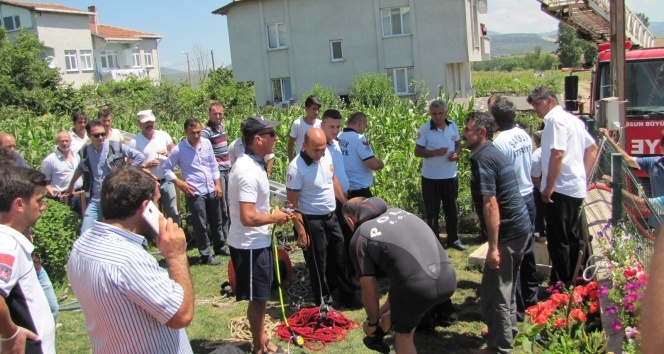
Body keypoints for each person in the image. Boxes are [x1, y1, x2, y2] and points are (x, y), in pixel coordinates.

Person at [67, 166, 194, 354]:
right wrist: (176, 256)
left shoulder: (81, 244)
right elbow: (181, 315)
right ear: (145, 207)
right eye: (156, 202)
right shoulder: (128, 259)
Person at [343, 197, 456, 354]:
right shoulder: (401, 212)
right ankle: (388, 321)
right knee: (406, 301)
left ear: (350, 220)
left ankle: (384, 325)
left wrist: (372, 322)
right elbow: (402, 271)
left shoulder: (360, 237)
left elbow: (369, 287)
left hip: (419, 288)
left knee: (403, 336)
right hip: (449, 279)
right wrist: (384, 310)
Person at [463, 111, 531, 354]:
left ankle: (499, 348)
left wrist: (492, 247)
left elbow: (491, 204)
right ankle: (508, 333)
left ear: (481, 132)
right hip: (520, 228)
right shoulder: (491, 151)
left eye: (468, 130)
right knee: (508, 285)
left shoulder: (484, 158)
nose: (463, 134)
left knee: (496, 293)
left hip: (509, 232)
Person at [227, 116, 294, 354]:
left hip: (257, 241)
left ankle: (261, 339)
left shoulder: (254, 164)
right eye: (272, 135)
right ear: (258, 139)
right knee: (258, 299)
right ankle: (258, 348)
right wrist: (274, 218)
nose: (276, 139)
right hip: (250, 245)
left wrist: (272, 213)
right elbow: (248, 216)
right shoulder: (246, 170)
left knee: (262, 296)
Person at [527, 85, 598, 285]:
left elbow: (557, 153)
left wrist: (548, 187)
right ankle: (569, 279)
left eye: (538, 104)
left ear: (550, 100)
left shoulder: (554, 120)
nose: (536, 109)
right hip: (573, 187)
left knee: (558, 241)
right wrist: (583, 177)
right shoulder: (573, 120)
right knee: (570, 237)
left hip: (561, 189)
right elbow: (592, 148)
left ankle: (563, 285)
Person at [286, 128, 358, 308]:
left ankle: (346, 295)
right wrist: (301, 231)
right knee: (318, 264)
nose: (319, 154)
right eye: (315, 150)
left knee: (339, 257)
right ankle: (324, 302)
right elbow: (291, 205)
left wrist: (345, 204)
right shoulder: (296, 168)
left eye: (322, 149)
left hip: (331, 216)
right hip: (311, 221)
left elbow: (333, 180)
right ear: (304, 146)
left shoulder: (326, 156)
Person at [489, 96, 539, 322]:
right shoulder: (523, 134)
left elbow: (500, 177)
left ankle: (516, 308)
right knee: (528, 251)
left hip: (513, 200)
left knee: (511, 257)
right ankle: (532, 298)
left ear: (494, 118)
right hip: (529, 196)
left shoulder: (498, 143)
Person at [0, 166, 55, 354]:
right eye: (39, 200)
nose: (43, 206)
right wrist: (11, 334)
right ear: (19, 204)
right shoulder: (7, 245)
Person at [163, 118, 227, 265]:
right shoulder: (179, 149)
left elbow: (213, 164)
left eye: (198, 132)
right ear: (185, 132)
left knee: (216, 219)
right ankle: (206, 254)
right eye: (193, 133)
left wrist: (217, 184)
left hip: (211, 187)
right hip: (195, 191)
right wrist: (180, 183)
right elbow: (166, 168)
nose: (196, 135)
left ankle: (219, 246)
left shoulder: (206, 143)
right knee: (200, 223)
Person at [67, 119, 146, 235]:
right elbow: (80, 169)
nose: (100, 137)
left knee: (118, 233)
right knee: (85, 233)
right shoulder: (85, 152)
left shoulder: (116, 147)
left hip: (114, 199)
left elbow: (139, 156)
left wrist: (127, 171)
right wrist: (71, 185)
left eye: (103, 134)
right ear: (89, 135)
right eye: (96, 135)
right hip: (95, 201)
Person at [414, 100, 467, 251]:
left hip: (450, 176)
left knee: (451, 210)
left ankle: (453, 240)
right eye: (434, 114)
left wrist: (457, 153)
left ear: (446, 113)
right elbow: (417, 152)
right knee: (432, 211)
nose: (437, 117)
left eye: (440, 114)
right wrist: (434, 153)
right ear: (430, 114)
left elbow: (458, 143)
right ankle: (434, 242)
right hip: (431, 178)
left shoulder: (452, 126)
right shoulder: (424, 129)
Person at [600, 128, 664, 228]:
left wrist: (614, 186)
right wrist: (608, 138)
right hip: (657, 224)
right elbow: (627, 159)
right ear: (661, 149)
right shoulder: (653, 163)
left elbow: (641, 205)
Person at [129, 109, 180, 223]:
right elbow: (130, 165)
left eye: (151, 122)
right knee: (153, 214)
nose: (149, 125)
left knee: (173, 211)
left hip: (167, 179)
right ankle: (156, 239)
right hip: (148, 183)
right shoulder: (135, 142)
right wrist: (145, 165)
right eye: (146, 123)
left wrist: (168, 153)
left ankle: (177, 235)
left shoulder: (163, 135)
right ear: (139, 124)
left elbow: (176, 152)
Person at [201, 102, 231, 249]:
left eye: (220, 113)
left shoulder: (223, 127)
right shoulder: (206, 132)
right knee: (223, 207)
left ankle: (230, 233)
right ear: (209, 114)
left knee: (229, 202)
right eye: (215, 113)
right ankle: (224, 237)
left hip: (227, 168)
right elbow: (203, 153)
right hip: (217, 171)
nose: (218, 116)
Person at [338, 112, 384, 198]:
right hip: (360, 190)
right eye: (365, 126)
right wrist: (381, 163)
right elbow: (373, 165)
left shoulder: (339, 136)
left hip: (343, 189)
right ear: (360, 123)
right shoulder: (359, 139)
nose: (364, 129)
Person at [41, 131, 83, 211]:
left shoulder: (76, 156)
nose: (64, 143)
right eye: (61, 141)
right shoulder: (50, 160)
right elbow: (44, 181)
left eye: (67, 141)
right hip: (62, 197)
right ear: (57, 142)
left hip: (79, 194)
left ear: (71, 141)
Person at [287, 95, 322, 162]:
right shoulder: (297, 124)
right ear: (306, 109)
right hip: (301, 162)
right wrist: (291, 160)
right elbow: (290, 143)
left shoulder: (320, 124)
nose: (317, 112)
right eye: (314, 109)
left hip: (316, 162)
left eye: (318, 109)